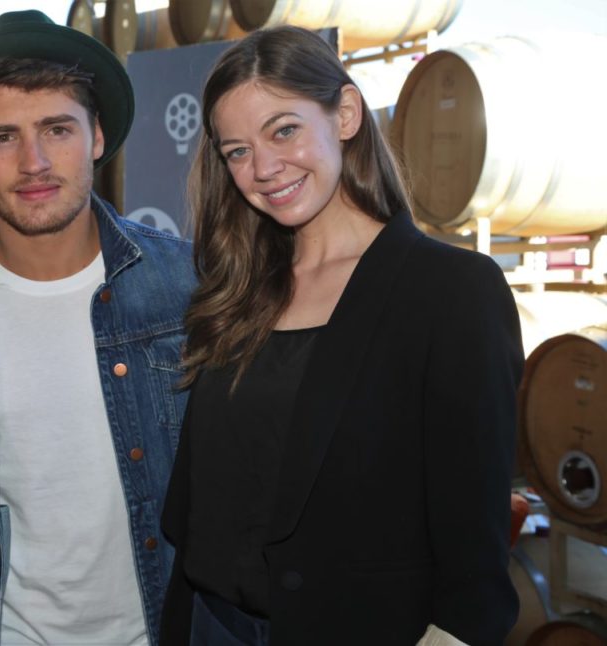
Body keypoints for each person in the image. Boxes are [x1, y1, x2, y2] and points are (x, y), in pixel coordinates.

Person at [160, 27, 523, 646]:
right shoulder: (234, 288)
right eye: (237, 151)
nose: (264, 168)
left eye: (284, 130)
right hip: (210, 624)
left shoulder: (452, 291)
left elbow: (474, 554)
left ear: (346, 114)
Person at [0, 11, 195, 644]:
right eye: (4, 136)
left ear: (97, 137)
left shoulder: (186, 288)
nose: (34, 161)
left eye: (57, 128)